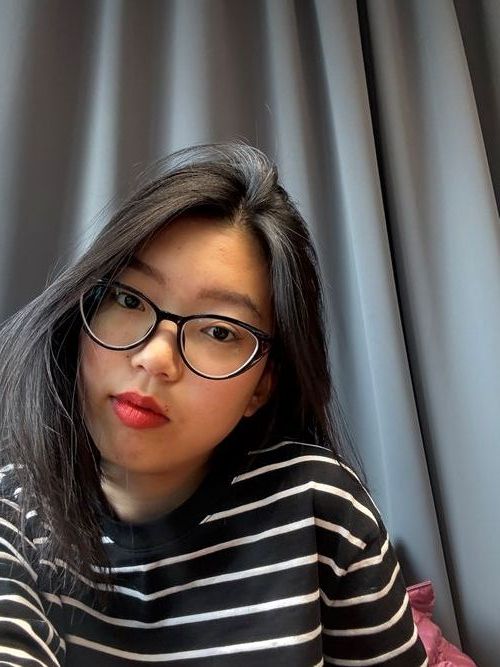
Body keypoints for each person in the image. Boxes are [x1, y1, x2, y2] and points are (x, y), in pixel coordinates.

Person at [0, 143, 427, 666]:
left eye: (220, 331)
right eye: (129, 300)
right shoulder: (15, 510)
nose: (156, 358)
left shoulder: (319, 508)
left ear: (261, 386)